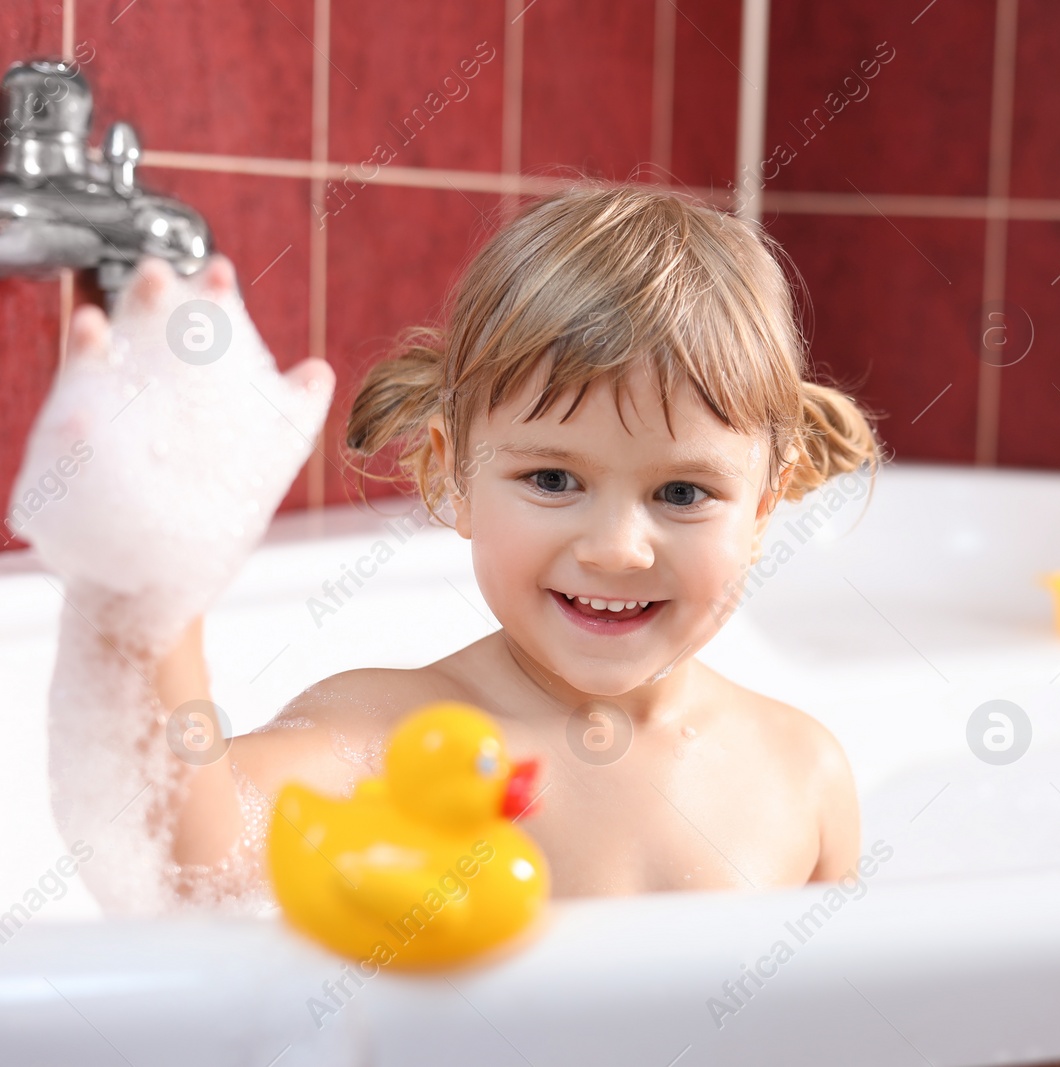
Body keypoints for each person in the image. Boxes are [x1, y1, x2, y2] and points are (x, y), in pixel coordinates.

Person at [15, 182, 880, 912]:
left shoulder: (803, 773)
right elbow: (188, 864)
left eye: (682, 493)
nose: (618, 548)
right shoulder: (394, 739)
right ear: (449, 477)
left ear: (766, 504)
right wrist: (150, 586)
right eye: (551, 479)